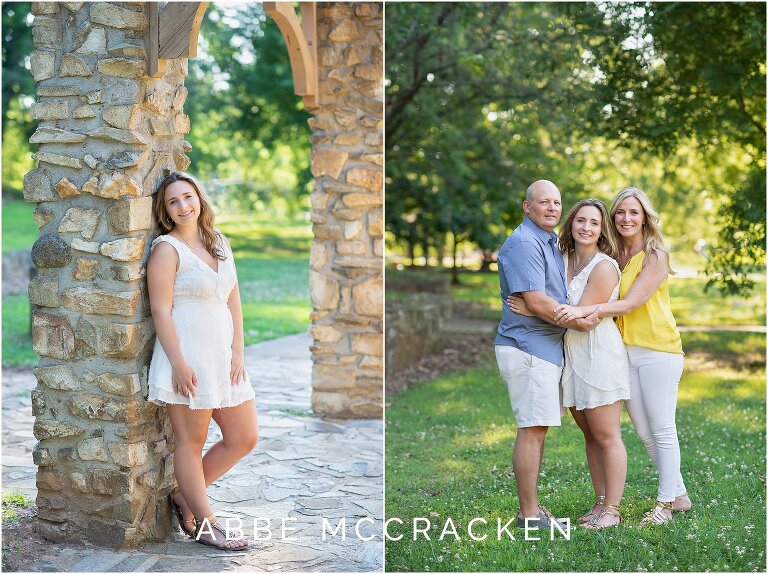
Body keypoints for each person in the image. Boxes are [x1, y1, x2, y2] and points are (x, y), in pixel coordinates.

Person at [550, 187, 691, 525]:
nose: (627, 219)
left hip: (658, 349)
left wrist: (581, 311)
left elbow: (629, 304)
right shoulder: (617, 255)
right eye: (621, 213)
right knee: (643, 431)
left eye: (634, 213)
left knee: (662, 428)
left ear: (645, 217)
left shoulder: (655, 255)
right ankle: (680, 494)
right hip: (626, 349)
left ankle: (664, 506)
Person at [147, 172, 258, 550]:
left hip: (224, 359)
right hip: (188, 358)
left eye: (187, 197)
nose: (182, 206)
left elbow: (234, 298)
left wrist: (238, 351)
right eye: (173, 202)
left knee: (244, 437)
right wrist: (178, 363)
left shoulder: (218, 241)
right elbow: (161, 312)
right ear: (165, 209)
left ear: (199, 198)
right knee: (190, 442)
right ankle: (205, 523)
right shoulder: (166, 249)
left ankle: (185, 497)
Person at [508, 199, 630, 529]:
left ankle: (613, 511)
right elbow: (565, 313)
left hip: (598, 354)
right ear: (571, 224)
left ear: (602, 229)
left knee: (607, 436)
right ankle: (599, 502)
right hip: (570, 356)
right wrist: (545, 306)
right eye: (580, 220)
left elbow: (576, 315)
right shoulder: (562, 259)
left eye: (593, 222)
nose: (586, 227)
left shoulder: (604, 267)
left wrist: (534, 307)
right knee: (590, 436)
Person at [495, 180, 601, 529]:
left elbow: (541, 301)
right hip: (528, 347)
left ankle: (533, 511)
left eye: (557, 202)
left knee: (536, 428)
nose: (552, 208)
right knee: (532, 429)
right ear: (528, 207)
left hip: (541, 346)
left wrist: (542, 308)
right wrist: (581, 322)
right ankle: (529, 515)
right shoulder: (526, 243)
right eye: (544, 202)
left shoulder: (549, 242)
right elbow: (538, 302)